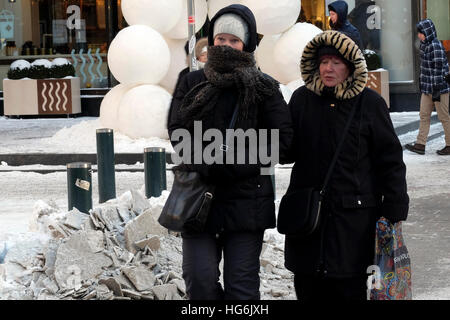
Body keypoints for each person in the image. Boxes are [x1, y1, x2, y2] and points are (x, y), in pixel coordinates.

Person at [167, 4, 293, 300]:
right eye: (220, 39)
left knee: (242, 290)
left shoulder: (264, 88)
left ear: (246, 44)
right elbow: (176, 130)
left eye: (234, 40)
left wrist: (236, 164)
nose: (226, 46)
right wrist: (208, 161)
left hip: (246, 202)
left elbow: (284, 141)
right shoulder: (192, 81)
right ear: (211, 41)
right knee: (200, 282)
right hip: (199, 199)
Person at [283, 30, 409, 300]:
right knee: (307, 289)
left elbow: (391, 161)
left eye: (336, 62)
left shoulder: (370, 103)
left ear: (350, 66)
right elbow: (285, 152)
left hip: (353, 227)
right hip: (308, 225)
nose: (328, 68)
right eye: (324, 61)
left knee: (349, 291)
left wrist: (394, 208)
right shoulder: (301, 100)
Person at [405, 19, 450, 156]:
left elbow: (439, 69)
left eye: (421, 33)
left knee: (444, 117)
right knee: (424, 115)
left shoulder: (435, 45)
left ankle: (449, 144)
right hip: (427, 89)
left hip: (439, 89)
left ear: (428, 32)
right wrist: (423, 85)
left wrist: (436, 89)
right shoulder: (424, 45)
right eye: (419, 33)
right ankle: (420, 144)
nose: (419, 35)